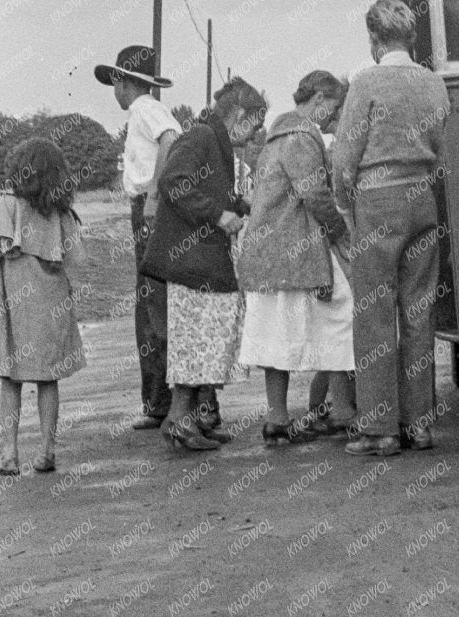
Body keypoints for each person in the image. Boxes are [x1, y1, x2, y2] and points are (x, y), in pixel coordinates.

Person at [330, 0, 451, 457]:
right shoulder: (434, 84)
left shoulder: (365, 83)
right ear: (411, 38)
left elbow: (345, 158)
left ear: (375, 39)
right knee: (418, 312)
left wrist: (346, 206)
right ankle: (419, 425)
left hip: (377, 202)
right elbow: (440, 147)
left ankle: (380, 427)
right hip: (423, 197)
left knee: (375, 315)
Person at [139, 76, 267, 454]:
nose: (255, 133)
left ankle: (190, 419)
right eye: (255, 124)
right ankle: (179, 421)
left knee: (205, 344)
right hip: (190, 263)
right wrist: (218, 214)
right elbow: (172, 182)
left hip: (200, 262)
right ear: (240, 114)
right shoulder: (201, 137)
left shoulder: (213, 140)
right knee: (195, 345)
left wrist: (239, 206)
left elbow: (202, 188)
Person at [237, 71, 358, 442]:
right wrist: (342, 233)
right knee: (341, 314)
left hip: (267, 253)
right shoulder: (301, 137)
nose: (333, 118)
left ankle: (278, 418)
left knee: (275, 333)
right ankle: (342, 410)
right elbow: (315, 195)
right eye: (333, 109)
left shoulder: (277, 136)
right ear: (318, 100)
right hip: (293, 250)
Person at [0, 136, 87, 476]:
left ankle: (9, 454)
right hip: (52, 305)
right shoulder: (63, 214)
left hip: (12, 306)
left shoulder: (3, 207)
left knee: (10, 380)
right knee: (48, 379)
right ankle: (47, 449)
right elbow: (77, 260)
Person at [95, 43, 180, 427]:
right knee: (150, 307)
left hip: (148, 206)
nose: (114, 89)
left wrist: (154, 194)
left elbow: (170, 141)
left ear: (123, 82)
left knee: (154, 307)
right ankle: (160, 400)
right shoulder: (144, 111)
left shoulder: (145, 109)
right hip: (144, 205)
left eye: (115, 81)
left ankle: (163, 402)